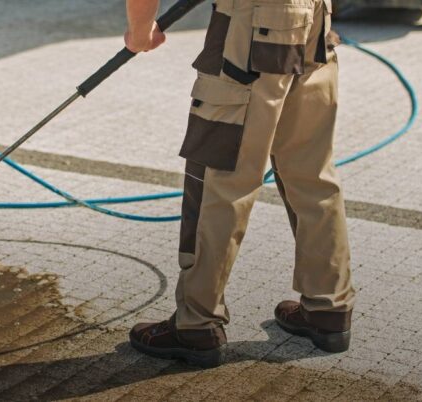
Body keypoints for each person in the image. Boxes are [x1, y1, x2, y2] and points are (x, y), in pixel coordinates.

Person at [125, 0, 355, 368]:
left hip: (251, 27)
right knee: (312, 174)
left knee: (221, 177)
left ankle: (196, 324)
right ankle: (329, 307)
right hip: (314, 19)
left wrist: (140, 29)